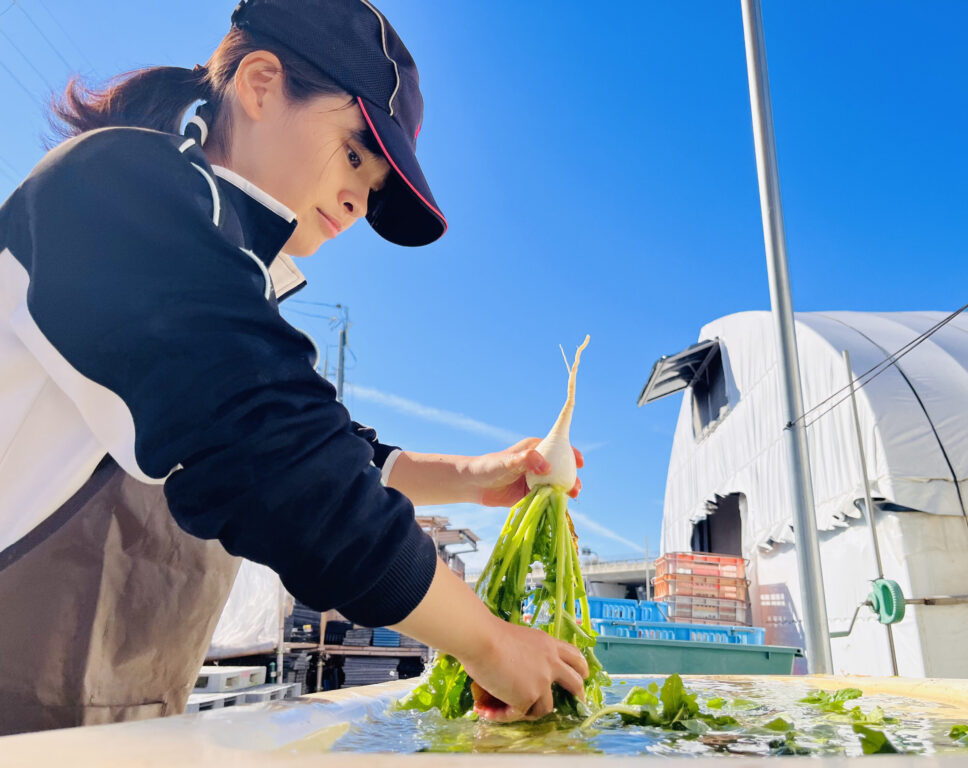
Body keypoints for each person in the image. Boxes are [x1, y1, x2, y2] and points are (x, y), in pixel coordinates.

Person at [0, 0, 587, 735]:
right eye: (352, 154)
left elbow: (331, 448)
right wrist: (491, 642)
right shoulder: (113, 191)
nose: (357, 200)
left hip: (111, 732)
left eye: (372, 188)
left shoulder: (232, 281)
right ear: (260, 84)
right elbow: (280, 459)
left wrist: (472, 477)